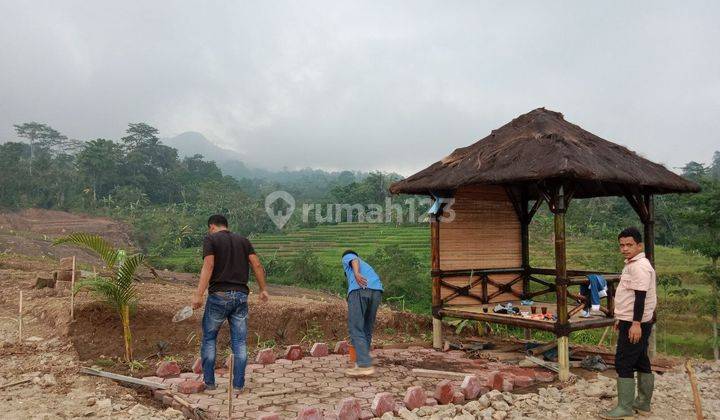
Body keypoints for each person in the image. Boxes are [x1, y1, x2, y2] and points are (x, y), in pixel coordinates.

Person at [191, 214, 269, 394]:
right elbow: (256, 265)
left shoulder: (210, 239)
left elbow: (208, 266)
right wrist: (263, 289)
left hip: (218, 295)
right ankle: (238, 386)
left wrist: (198, 294)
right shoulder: (243, 240)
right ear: (226, 225)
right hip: (241, 296)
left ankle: (210, 383)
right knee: (240, 342)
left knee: (210, 338)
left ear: (212, 226)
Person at [601, 227, 657, 419]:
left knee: (623, 361)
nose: (624, 248)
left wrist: (635, 324)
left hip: (636, 322)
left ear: (639, 245)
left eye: (629, 245)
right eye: (622, 245)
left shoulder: (639, 267)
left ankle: (625, 408)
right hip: (632, 320)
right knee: (641, 359)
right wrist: (621, 318)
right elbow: (630, 297)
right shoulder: (633, 264)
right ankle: (642, 404)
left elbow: (640, 298)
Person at [341, 249, 383, 377]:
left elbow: (353, 259)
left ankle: (364, 364)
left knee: (356, 328)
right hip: (376, 291)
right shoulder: (367, 266)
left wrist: (357, 274)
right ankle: (364, 360)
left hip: (360, 290)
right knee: (366, 328)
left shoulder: (348, 257)